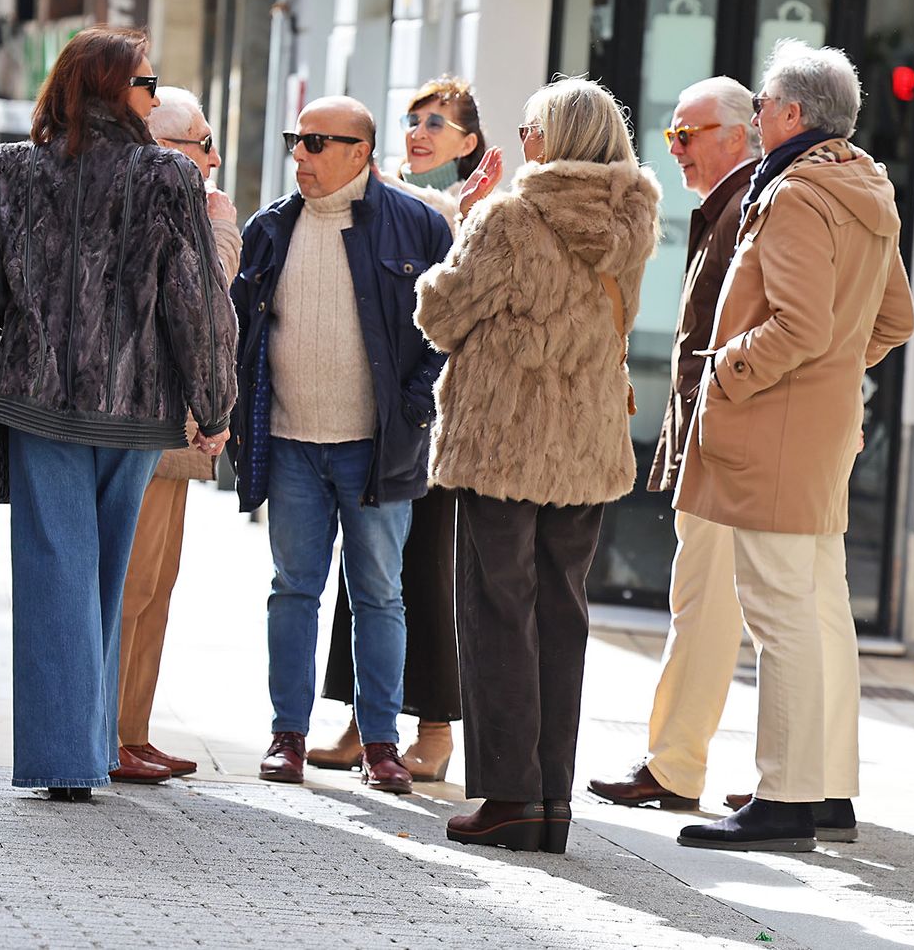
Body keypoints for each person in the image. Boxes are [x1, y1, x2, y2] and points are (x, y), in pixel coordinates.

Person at [0, 26, 237, 802]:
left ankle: (64, 757)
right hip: (136, 410)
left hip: (39, 403)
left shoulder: (8, 171)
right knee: (105, 580)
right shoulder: (168, 178)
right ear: (114, 91)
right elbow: (196, 305)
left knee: (54, 573)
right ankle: (90, 744)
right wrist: (214, 402)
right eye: (146, 84)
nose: (152, 96)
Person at [675, 40, 914, 852]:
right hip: (816, 432)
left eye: (767, 101)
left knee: (781, 614)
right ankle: (824, 793)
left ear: (793, 114)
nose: (758, 112)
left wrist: (732, 372)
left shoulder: (799, 193)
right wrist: (833, 379)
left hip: (775, 432)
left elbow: (801, 325)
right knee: (814, 610)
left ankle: (784, 800)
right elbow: (891, 322)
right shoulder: (864, 186)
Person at [415, 77, 661, 853]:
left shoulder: (510, 217)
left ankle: (511, 796)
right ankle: (552, 795)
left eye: (529, 129)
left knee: (496, 610)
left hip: (503, 440)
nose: (520, 142)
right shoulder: (634, 219)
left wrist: (462, 218)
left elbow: (441, 313)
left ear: (552, 139)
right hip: (585, 444)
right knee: (562, 611)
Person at [230, 95, 452, 796]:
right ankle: (286, 733)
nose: (302, 154)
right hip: (291, 441)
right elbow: (244, 329)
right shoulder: (272, 227)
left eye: (318, 142)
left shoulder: (416, 225)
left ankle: (381, 741)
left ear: (360, 152)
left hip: (376, 444)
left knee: (380, 593)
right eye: (298, 139)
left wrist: (417, 403)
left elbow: (448, 326)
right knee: (293, 589)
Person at [307, 75, 486, 781]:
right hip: (370, 411)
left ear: (469, 144)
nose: (419, 131)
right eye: (413, 119)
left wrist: (455, 210)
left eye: (437, 123)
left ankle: (436, 729)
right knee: (363, 569)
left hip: (436, 415)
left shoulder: (480, 210)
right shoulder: (375, 202)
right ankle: (363, 716)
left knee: (424, 569)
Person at [589, 77, 759, 810]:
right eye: (670, 136)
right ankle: (785, 779)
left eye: (686, 135)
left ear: (736, 134)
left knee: (708, 606)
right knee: (751, 609)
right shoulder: (733, 205)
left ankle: (677, 765)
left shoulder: (753, 205)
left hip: (732, 441)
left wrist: (723, 390)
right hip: (730, 435)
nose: (676, 149)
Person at [112, 85, 243, 785]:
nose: (215, 156)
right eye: (203, 141)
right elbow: (201, 299)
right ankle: (112, 732)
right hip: (152, 424)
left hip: (179, 428)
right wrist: (223, 234)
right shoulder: (169, 203)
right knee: (134, 584)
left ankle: (133, 727)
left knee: (159, 585)